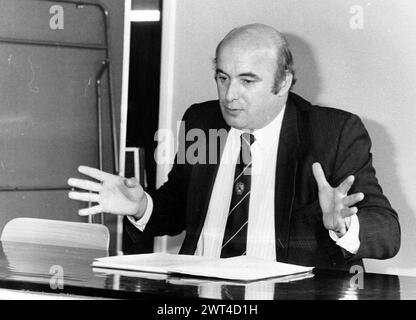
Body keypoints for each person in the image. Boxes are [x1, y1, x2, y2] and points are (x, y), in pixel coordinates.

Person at [68, 23, 400, 270]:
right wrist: (142, 206)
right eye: (222, 77)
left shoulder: (333, 133)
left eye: (247, 80)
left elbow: (387, 232)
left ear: (283, 82)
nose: (229, 95)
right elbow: (180, 205)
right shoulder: (203, 121)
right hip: (197, 298)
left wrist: (344, 224)